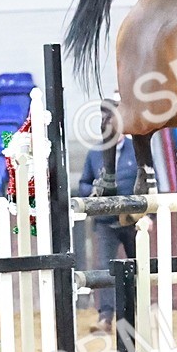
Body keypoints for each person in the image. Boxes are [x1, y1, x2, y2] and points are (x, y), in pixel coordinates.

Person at [78, 134, 138, 335]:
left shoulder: (138, 148)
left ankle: (139, 312)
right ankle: (105, 317)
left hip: (133, 221)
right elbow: (83, 184)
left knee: (140, 266)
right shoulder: (94, 152)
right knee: (104, 269)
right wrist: (95, 187)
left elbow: (150, 181)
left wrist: (149, 216)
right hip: (105, 221)